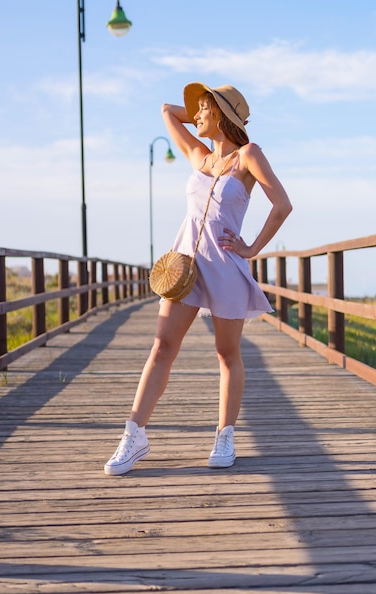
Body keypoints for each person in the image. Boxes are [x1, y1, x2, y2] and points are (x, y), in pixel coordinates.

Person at [104, 82, 292, 476]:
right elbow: (167, 111)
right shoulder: (200, 157)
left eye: (206, 109)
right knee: (162, 345)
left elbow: (282, 204)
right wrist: (205, 112)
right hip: (184, 266)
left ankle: (225, 434)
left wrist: (252, 247)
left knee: (227, 354)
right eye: (200, 109)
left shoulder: (248, 156)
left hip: (224, 265)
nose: (198, 115)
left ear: (223, 115)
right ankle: (134, 435)